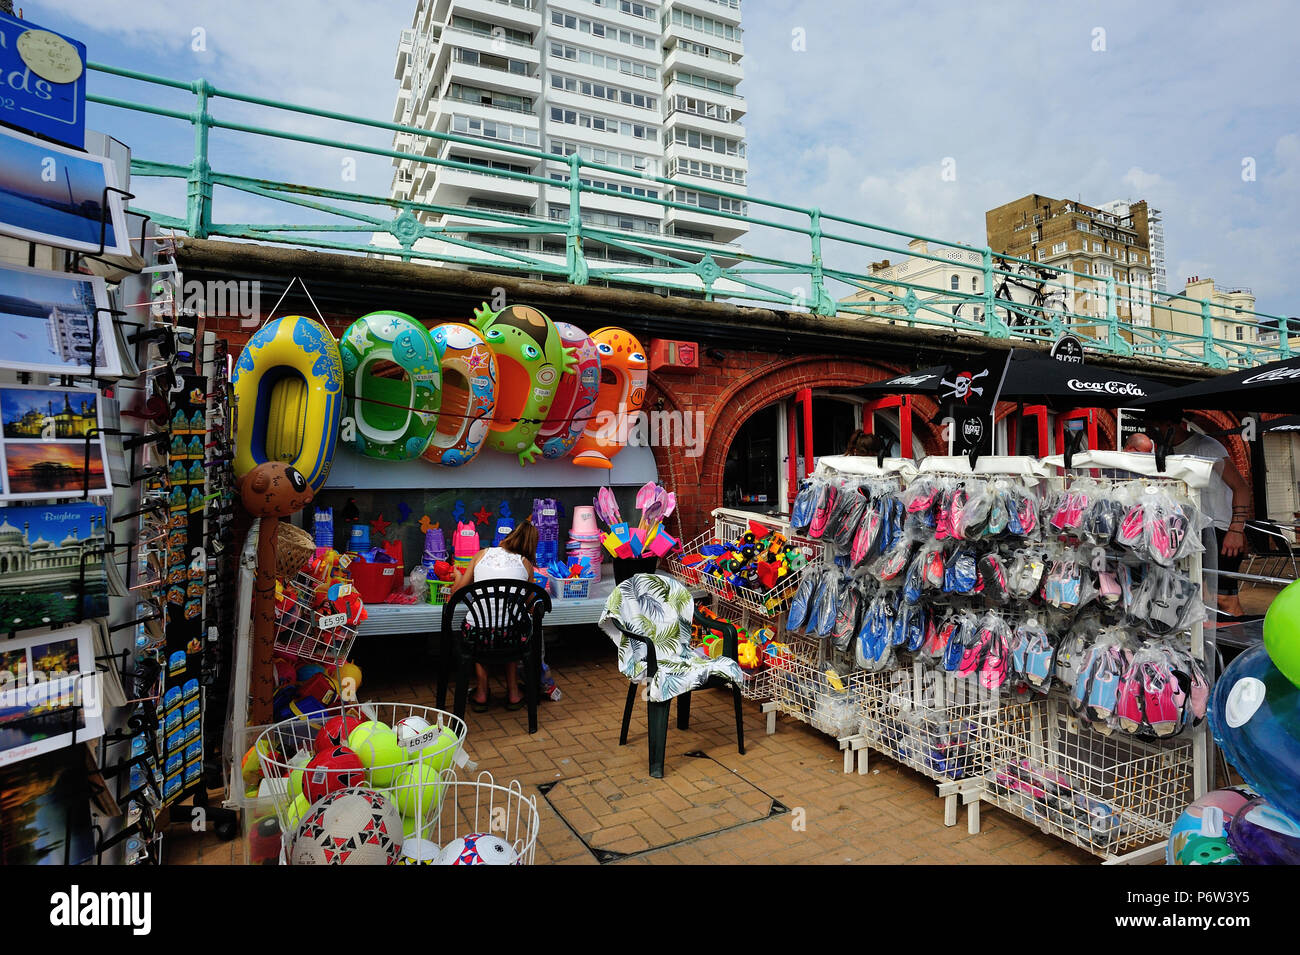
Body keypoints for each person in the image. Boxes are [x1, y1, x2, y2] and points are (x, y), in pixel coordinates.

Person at [1145, 416, 1252, 617]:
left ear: (1171, 423)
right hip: (1190, 532)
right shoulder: (1164, 450)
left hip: (1220, 530)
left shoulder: (1208, 447)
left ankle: (1243, 645)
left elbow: (1241, 487)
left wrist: (1236, 529)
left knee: (1224, 599)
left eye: (1155, 425)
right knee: (1202, 598)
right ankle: (1214, 645)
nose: (1152, 432)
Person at [448, 517, 539, 712]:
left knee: (481, 628)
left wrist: (457, 576)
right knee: (513, 628)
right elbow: (531, 606)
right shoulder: (526, 564)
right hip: (511, 637)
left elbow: (456, 593)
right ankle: (514, 693)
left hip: (478, 635)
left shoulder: (482, 555)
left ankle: (481, 692)